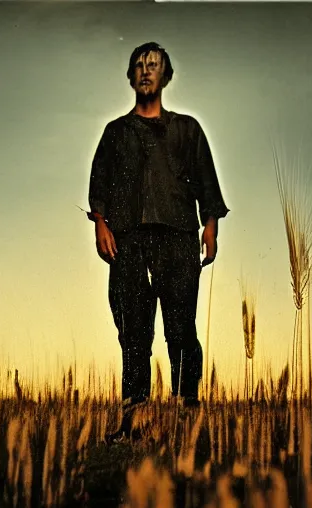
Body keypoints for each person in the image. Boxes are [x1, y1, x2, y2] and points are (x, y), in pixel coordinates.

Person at [87, 42, 229, 440]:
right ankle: (134, 421)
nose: (146, 70)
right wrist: (101, 223)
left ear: (165, 76)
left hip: (179, 237)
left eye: (154, 65)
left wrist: (210, 226)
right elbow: (99, 184)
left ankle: (188, 418)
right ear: (131, 77)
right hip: (129, 240)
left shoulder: (187, 129)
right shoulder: (115, 132)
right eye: (139, 65)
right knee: (133, 331)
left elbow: (206, 181)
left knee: (181, 327)